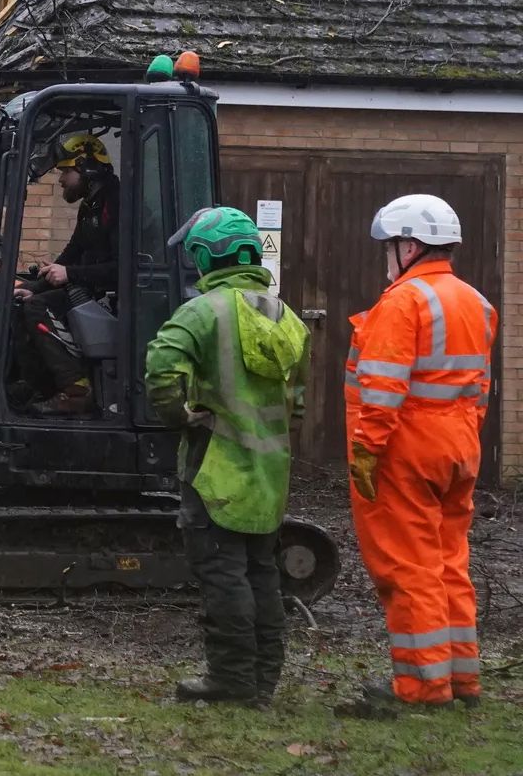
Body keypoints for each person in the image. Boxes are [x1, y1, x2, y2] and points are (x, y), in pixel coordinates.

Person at [146, 206, 309, 706]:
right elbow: (296, 406)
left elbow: (161, 367)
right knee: (261, 572)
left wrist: (182, 414)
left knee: (222, 571)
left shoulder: (204, 310)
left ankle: (231, 678)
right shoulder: (288, 319)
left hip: (215, 468)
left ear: (204, 256)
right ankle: (263, 679)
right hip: (267, 476)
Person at [344, 194, 496, 711]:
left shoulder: (403, 302)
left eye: (389, 247)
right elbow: (479, 389)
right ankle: (460, 680)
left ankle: (422, 687)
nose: (386, 258)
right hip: (459, 445)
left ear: (409, 245)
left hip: (406, 448)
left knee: (408, 567)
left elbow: (382, 390)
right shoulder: (477, 303)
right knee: (449, 562)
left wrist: (366, 451)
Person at [13, 132, 119, 415]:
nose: (60, 179)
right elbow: (72, 251)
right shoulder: (91, 204)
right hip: (88, 288)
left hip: (109, 297)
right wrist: (34, 285)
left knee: (38, 309)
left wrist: (69, 274)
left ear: (88, 168)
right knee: (23, 302)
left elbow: (120, 268)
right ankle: (41, 385)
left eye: (66, 171)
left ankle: (76, 389)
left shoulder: (117, 204)